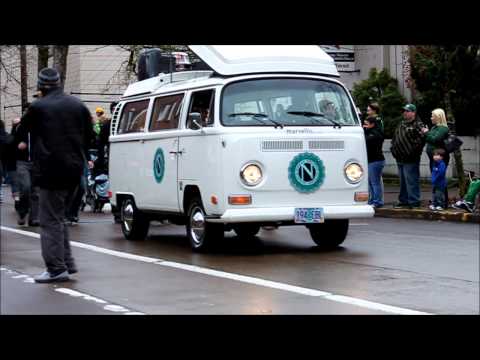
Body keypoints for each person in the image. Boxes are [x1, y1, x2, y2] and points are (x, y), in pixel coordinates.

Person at [17, 67, 95, 283]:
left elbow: (23, 131)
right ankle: (66, 263)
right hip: (74, 168)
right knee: (58, 217)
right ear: (59, 82)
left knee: (49, 220)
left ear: (41, 85)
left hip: (50, 169)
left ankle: (55, 268)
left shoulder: (38, 107)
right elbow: (90, 135)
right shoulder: (78, 105)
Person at [390, 103, 426, 209]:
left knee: (412, 180)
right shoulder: (401, 123)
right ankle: (404, 200)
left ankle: (414, 201)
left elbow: (421, 141)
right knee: (403, 181)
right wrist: (393, 149)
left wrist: (411, 152)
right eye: (404, 111)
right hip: (399, 157)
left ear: (413, 113)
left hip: (411, 158)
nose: (404, 113)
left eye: (407, 111)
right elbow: (395, 137)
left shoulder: (418, 124)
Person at [12, 112, 40, 226]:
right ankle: (22, 212)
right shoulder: (20, 128)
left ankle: (34, 218)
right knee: (26, 188)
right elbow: (11, 142)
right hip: (22, 162)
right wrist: (18, 145)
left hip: (36, 163)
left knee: (36, 192)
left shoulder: (40, 129)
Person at [421, 108, 450, 208]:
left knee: (440, 180)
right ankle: (436, 202)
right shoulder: (434, 128)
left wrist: (426, 133)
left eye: (433, 116)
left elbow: (434, 139)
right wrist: (426, 133)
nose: (431, 118)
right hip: (433, 159)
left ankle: (442, 203)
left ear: (438, 117)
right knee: (435, 180)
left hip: (440, 159)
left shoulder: (443, 128)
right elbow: (429, 139)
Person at [363, 115, 385, 208]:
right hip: (371, 160)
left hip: (376, 161)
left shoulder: (375, 134)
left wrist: (364, 130)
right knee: (370, 182)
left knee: (375, 182)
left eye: (366, 124)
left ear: (372, 124)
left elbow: (366, 140)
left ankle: (377, 201)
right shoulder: (370, 132)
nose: (364, 126)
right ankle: (372, 200)